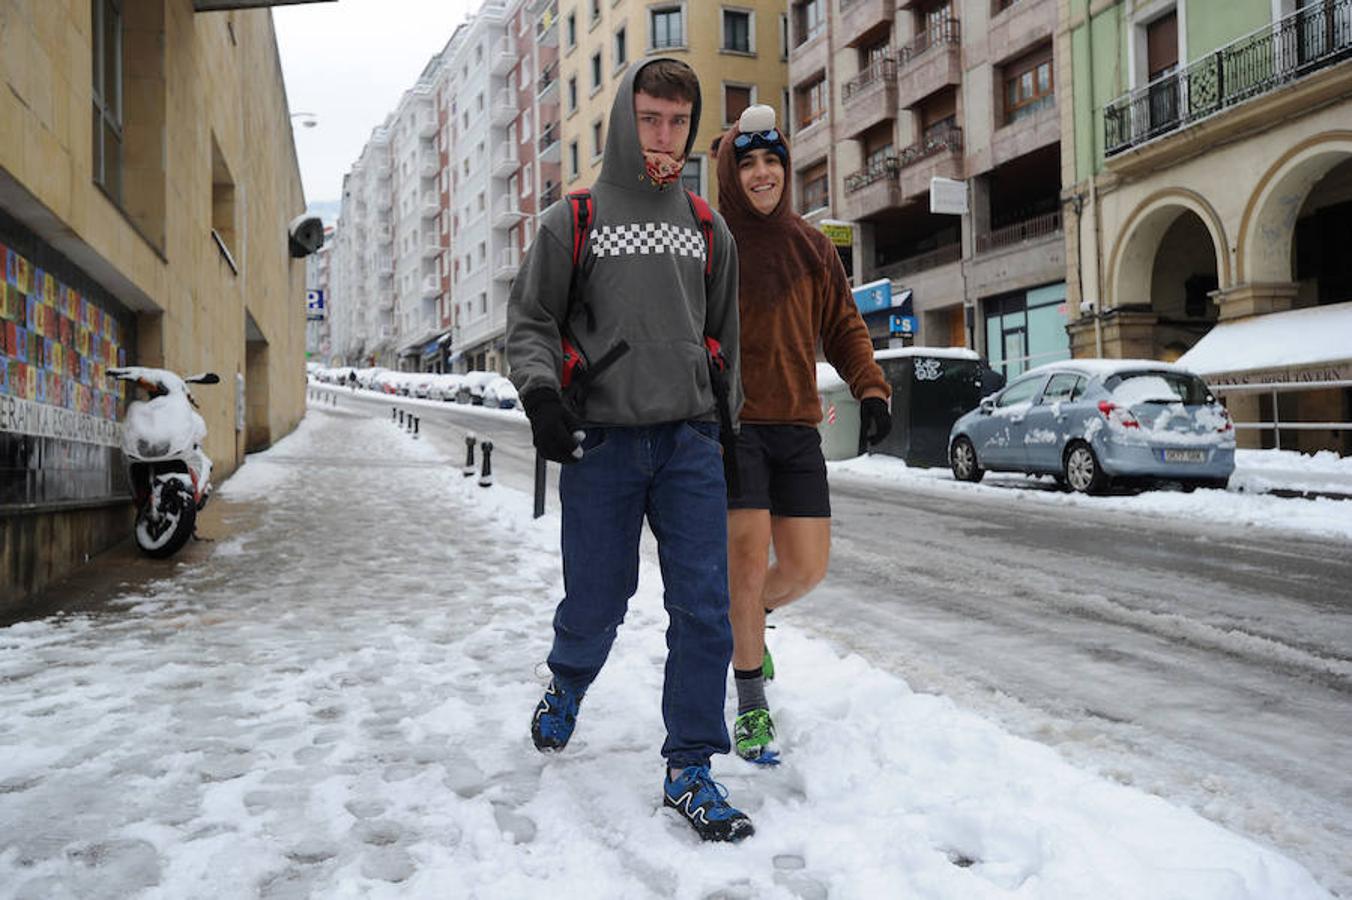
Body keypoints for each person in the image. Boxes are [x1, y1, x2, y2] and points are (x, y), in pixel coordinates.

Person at [506, 59, 753, 843]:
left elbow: (726, 342)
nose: (663, 136)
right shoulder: (571, 219)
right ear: (623, 118)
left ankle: (691, 766)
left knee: (705, 611)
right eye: (650, 118)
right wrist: (542, 397)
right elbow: (531, 322)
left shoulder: (709, 228)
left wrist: (731, 431)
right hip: (602, 445)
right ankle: (569, 680)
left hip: (687, 443)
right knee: (597, 601)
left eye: (678, 123)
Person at [714, 105, 892, 766]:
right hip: (733, 427)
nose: (763, 175)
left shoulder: (812, 245)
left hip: (795, 424)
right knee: (743, 554)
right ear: (733, 172)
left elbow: (845, 325)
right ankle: (751, 701)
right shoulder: (713, 240)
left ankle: (741, 625)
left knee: (805, 567)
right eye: (749, 163)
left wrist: (871, 387)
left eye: (772, 162)